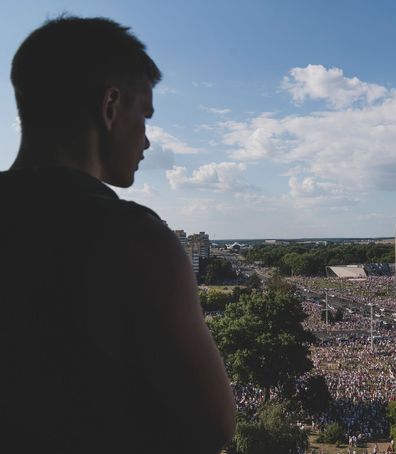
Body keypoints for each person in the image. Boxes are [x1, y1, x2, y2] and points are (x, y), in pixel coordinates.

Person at [0, 16, 236, 453]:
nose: (147, 140)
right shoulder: (134, 240)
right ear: (109, 106)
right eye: (144, 116)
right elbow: (212, 428)